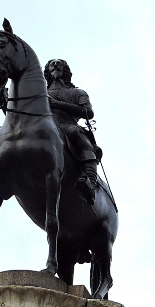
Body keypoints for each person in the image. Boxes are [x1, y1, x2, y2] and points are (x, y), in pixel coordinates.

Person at [44, 59, 101, 205]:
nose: (55, 65)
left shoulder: (77, 92)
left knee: (84, 143)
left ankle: (91, 185)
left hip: (68, 125)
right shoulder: (39, 92)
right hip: (44, 125)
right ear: (48, 71)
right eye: (52, 64)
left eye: (59, 63)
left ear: (66, 70)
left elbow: (88, 111)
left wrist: (57, 104)